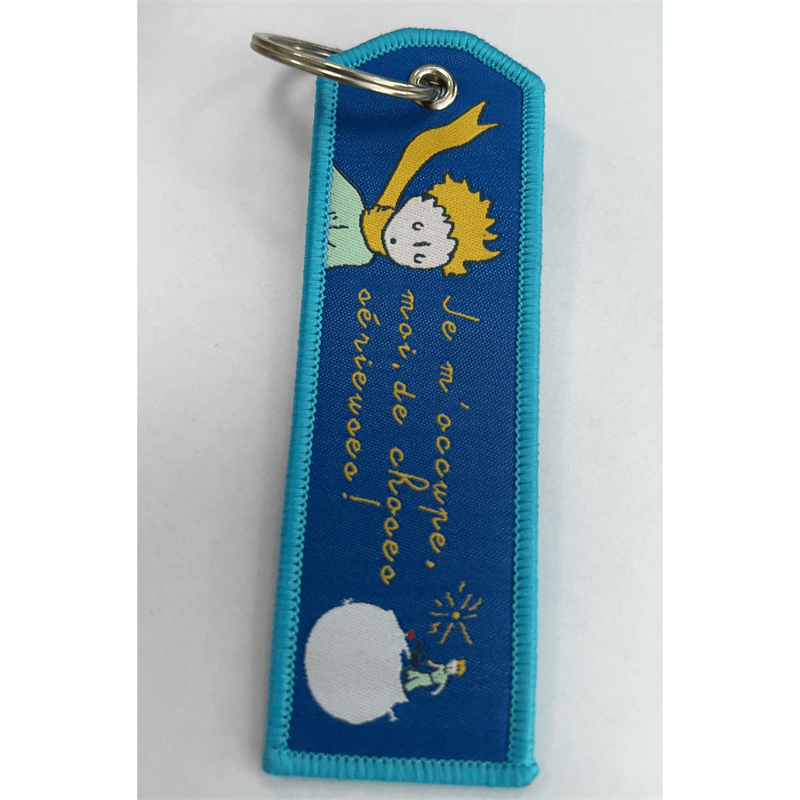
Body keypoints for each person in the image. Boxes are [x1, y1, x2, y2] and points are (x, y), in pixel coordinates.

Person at [327, 102, 501, 276]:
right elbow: (416, 152)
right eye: (417, 226)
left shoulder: (359, 249)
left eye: (419, 256)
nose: (407, 241)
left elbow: (416, 153)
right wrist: (446, 136)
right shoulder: (349, 204)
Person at [403, 657, 467, 697]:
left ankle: (406, 688)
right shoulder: (442, 666)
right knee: (417, 674)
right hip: (428, 675)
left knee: (417, 681)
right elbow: (433, 665)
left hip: (429, 681)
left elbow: (441, 687)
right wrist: (429, 662)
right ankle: (408, 674)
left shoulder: (444, 678)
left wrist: (435, 692)